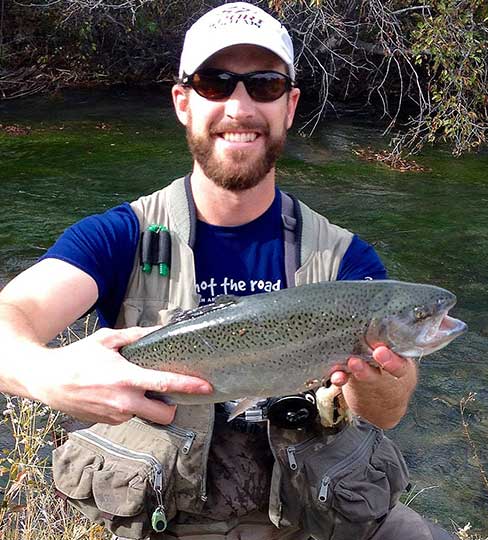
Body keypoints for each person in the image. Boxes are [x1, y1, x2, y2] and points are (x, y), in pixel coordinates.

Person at [0, 3, 456, 540]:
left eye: (263, 85)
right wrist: (49, 376)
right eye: (215, 83)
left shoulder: (345, 261)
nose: (240, 107)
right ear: (183, 102)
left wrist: (381, 383)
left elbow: (384, 414)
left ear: (289, 106)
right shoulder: (120, 236)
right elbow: (13, 317)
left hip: (306, 524)